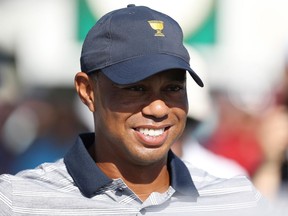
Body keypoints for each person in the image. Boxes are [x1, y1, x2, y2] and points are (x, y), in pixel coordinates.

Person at [0, 5, 269, 215]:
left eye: (173, 88)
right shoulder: (17, 201)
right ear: (87, 91)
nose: (159, 107)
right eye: (135, 88)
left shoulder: (237, 201)